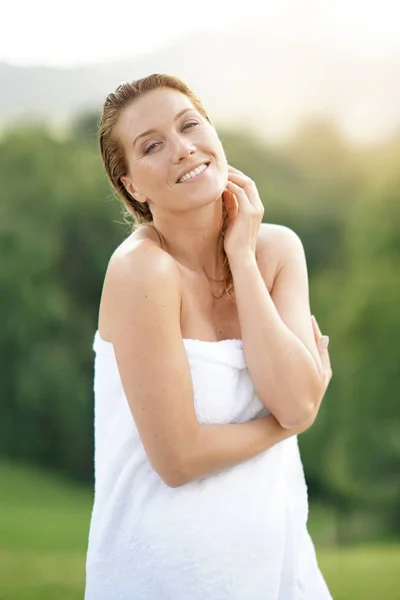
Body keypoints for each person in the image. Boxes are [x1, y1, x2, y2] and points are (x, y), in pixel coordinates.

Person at [85, 73, 333, 600]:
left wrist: (242, 259)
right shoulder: (141, 271)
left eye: (190, 125)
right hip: (168, 576)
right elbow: (178, 459)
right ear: (133, 186)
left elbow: (295, 396)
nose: (182, 149)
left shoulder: (275, 251)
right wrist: (288, 426)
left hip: (278, 570)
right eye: (152, 146)